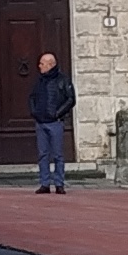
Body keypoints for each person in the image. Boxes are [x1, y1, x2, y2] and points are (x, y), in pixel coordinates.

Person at [30, 50, 75, 195]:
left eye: (42, 64)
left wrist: (58, 113)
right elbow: (32, 97)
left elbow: (70, 99)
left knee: (57, 155)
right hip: (41, 122)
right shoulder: (39, 81)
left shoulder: (63, 80)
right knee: (43, 154)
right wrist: (34, 112)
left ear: (50, 65)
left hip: (55, 122)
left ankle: (59, 183)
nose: (39, 66)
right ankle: (44, 183)